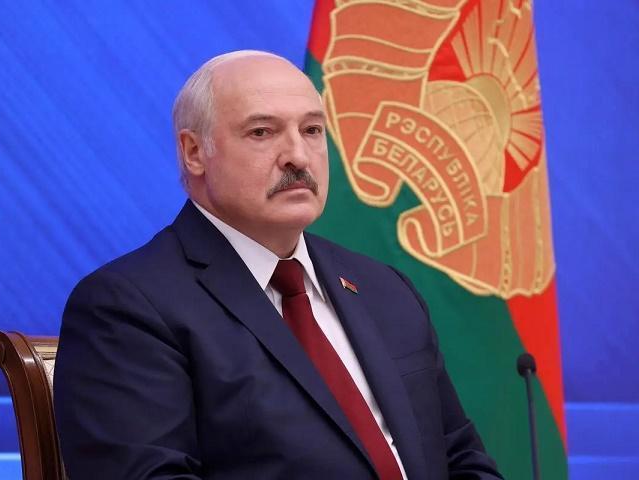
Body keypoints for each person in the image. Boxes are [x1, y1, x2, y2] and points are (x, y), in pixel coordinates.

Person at [54, 50, 503, 480]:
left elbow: (461, 458)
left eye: (312, 130)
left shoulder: (385, 288)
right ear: (194, 152)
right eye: (262, 132)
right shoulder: (127, 308)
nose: (298, 156)